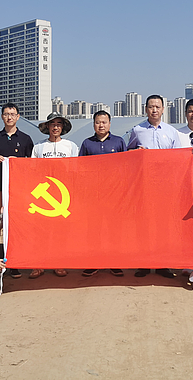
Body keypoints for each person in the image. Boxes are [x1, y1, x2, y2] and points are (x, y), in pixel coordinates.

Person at [127, 94, 181, 279]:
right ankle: (143, 263)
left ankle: (162, 264)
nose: (154, 110)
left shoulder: (172, 132)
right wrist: (137, 152)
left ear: (163, 109)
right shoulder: (137, 130)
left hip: (165, 186)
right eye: (151, 107)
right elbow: (128, 153)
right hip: (144, 185)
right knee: (143, 224)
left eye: (158, 107)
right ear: (146, 109)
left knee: (163, 225)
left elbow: (178, 159)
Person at [0, 103, 34, 279]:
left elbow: (31, 165)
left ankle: (15, 263)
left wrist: (18, 162)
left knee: (15, 226)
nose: (9, 117)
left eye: (12, 114)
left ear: (18, 116)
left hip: (18, 190)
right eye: (6, 114)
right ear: (2, 116)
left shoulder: (26, 139)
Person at [29, 112, 78, 278]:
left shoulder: (71, 146)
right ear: (47, 126)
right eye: (52, 124)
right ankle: (38, 265)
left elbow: (76, 170)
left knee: (60, 231)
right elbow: (32, 170)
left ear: (62, 127)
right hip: (43, 195)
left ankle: (59, 263)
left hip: (64, 194)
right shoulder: (38, 147)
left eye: (58, 124)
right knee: (40, 231)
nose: (55, 127)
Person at [78, 110, 127, 277]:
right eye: (98, 122)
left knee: (114, 229)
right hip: (93, 195)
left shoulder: (119, 142)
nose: (101, 125)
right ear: (93, 124)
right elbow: (80, 168)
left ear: (109, 124)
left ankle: (114, 262)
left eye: (104, 122)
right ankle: (94, 261)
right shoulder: (87, 143)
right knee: (94, 229)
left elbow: (126, 166)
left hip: (114, 194)